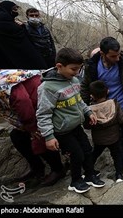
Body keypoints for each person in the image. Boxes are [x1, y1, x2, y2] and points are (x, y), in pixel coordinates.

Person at [37, 48, 105, 194]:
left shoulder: (73, 80)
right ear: (59, 66)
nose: (76, 73)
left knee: (87, 150)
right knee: (77, 155)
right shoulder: (47, 88)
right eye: (73, 69)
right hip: (62, 131)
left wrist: (88, 111)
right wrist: (48, 136)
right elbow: (43, 114)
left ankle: (90, 175)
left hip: (76, 125)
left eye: (79, 69)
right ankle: (75, 181)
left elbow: (78, 100)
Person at [81, 37, 123, 176]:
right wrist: (84, 110)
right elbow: (85, 88)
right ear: (103, 54)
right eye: (113, 56)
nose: (117, 58)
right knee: (115, 140)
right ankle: (122, 164)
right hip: (105, 109)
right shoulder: (92, 66)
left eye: (118, 54)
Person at [0, 70, 65, 187]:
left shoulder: (1, 83)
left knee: (39, 137)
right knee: (17, 136)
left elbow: (22, 101)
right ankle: (37, 168)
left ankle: (58, 169)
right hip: (35, 102)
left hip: (43, 105)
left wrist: (31, 127)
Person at [84, 80, 123, 183]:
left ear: (92, 96)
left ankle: (87, 172)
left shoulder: (90, 110)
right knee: (116, 155)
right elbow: (122, 119)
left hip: (99, 139)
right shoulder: (114, 104)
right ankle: (119, 175)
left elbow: (87, 126)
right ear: (107, 91)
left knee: (95, 154)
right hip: (114, 137)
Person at [0, 1, 47, 69]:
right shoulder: (9, 24)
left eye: (36, 15)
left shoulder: (45, 29)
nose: (16, 11)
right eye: (14, 9)